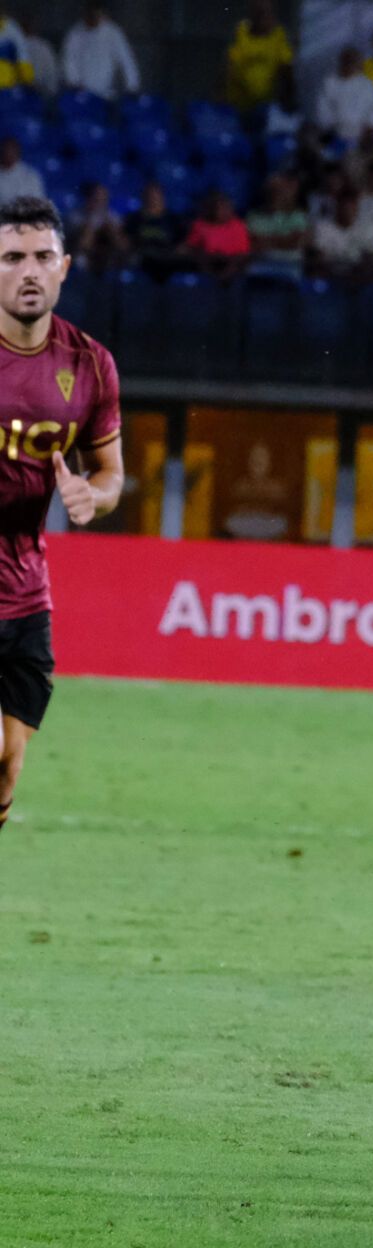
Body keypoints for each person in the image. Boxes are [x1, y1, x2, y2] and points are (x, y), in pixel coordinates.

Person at [0, 196, 125, 841]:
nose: (28, 271)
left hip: (26, 593)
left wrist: (91, 498)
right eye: (11, 257)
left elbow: (111, 475)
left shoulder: (90, 364)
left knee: (7, 763)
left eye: (41, 257)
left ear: (65, 267)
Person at [60, 3, 139, 100]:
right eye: (91, 16)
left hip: (106, 94)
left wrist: (132, 86)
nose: (93, 19)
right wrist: (74, 81)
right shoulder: (75, 34)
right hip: (82, 93)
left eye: (96, 16)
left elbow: (126, 59)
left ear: (102, 15)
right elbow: (69, 60)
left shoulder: (113, 33)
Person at [225, 0, 293, 112]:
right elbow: (229, 66)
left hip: (269, 108)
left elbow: (287, 66)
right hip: (239, 106)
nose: (263, 18)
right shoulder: (241, 33)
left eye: (267, 13)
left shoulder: (278, 36)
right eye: (259, 13)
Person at [315, 45, 373, 144]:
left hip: (362, 134)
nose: (350, 65)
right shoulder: (329, 82)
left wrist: (370, 126)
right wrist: (334, 127)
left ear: (359, 64)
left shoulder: (367, 84)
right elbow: (322, 109)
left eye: (354, 62)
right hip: (335, 132)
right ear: (341, 62)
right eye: (347, 61)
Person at [0, 137, 44, 206]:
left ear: (18, 153)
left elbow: (38, 201)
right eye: (5, 151)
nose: (8, 154)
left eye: (12, 152)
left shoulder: (30, 175)